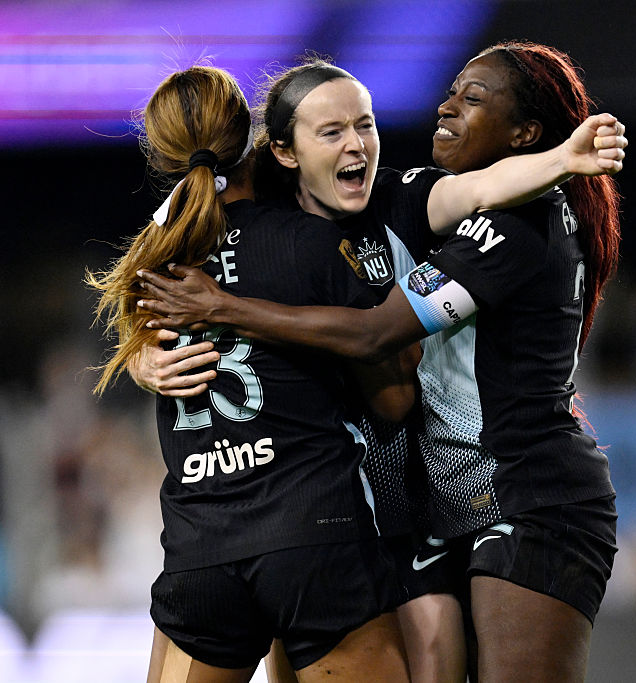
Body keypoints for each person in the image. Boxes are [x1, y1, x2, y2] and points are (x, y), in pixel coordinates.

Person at [137, 41, 623, 682]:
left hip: (514, 493)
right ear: (284, 150)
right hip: (400, 506)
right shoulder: (294, 228)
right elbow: (190, 199)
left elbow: (380, 334)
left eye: (365, 124)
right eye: (332, 130)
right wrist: (146, 351)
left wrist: (561, 160)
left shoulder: (445, 208)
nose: (444, 108)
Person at [88, 65, 418, 682]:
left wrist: (142, 360)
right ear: (261, 142)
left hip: (203, 550)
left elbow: (138, 343)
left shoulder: (154, 262)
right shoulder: (311, 243)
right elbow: (395, 400)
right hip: (318, 535)